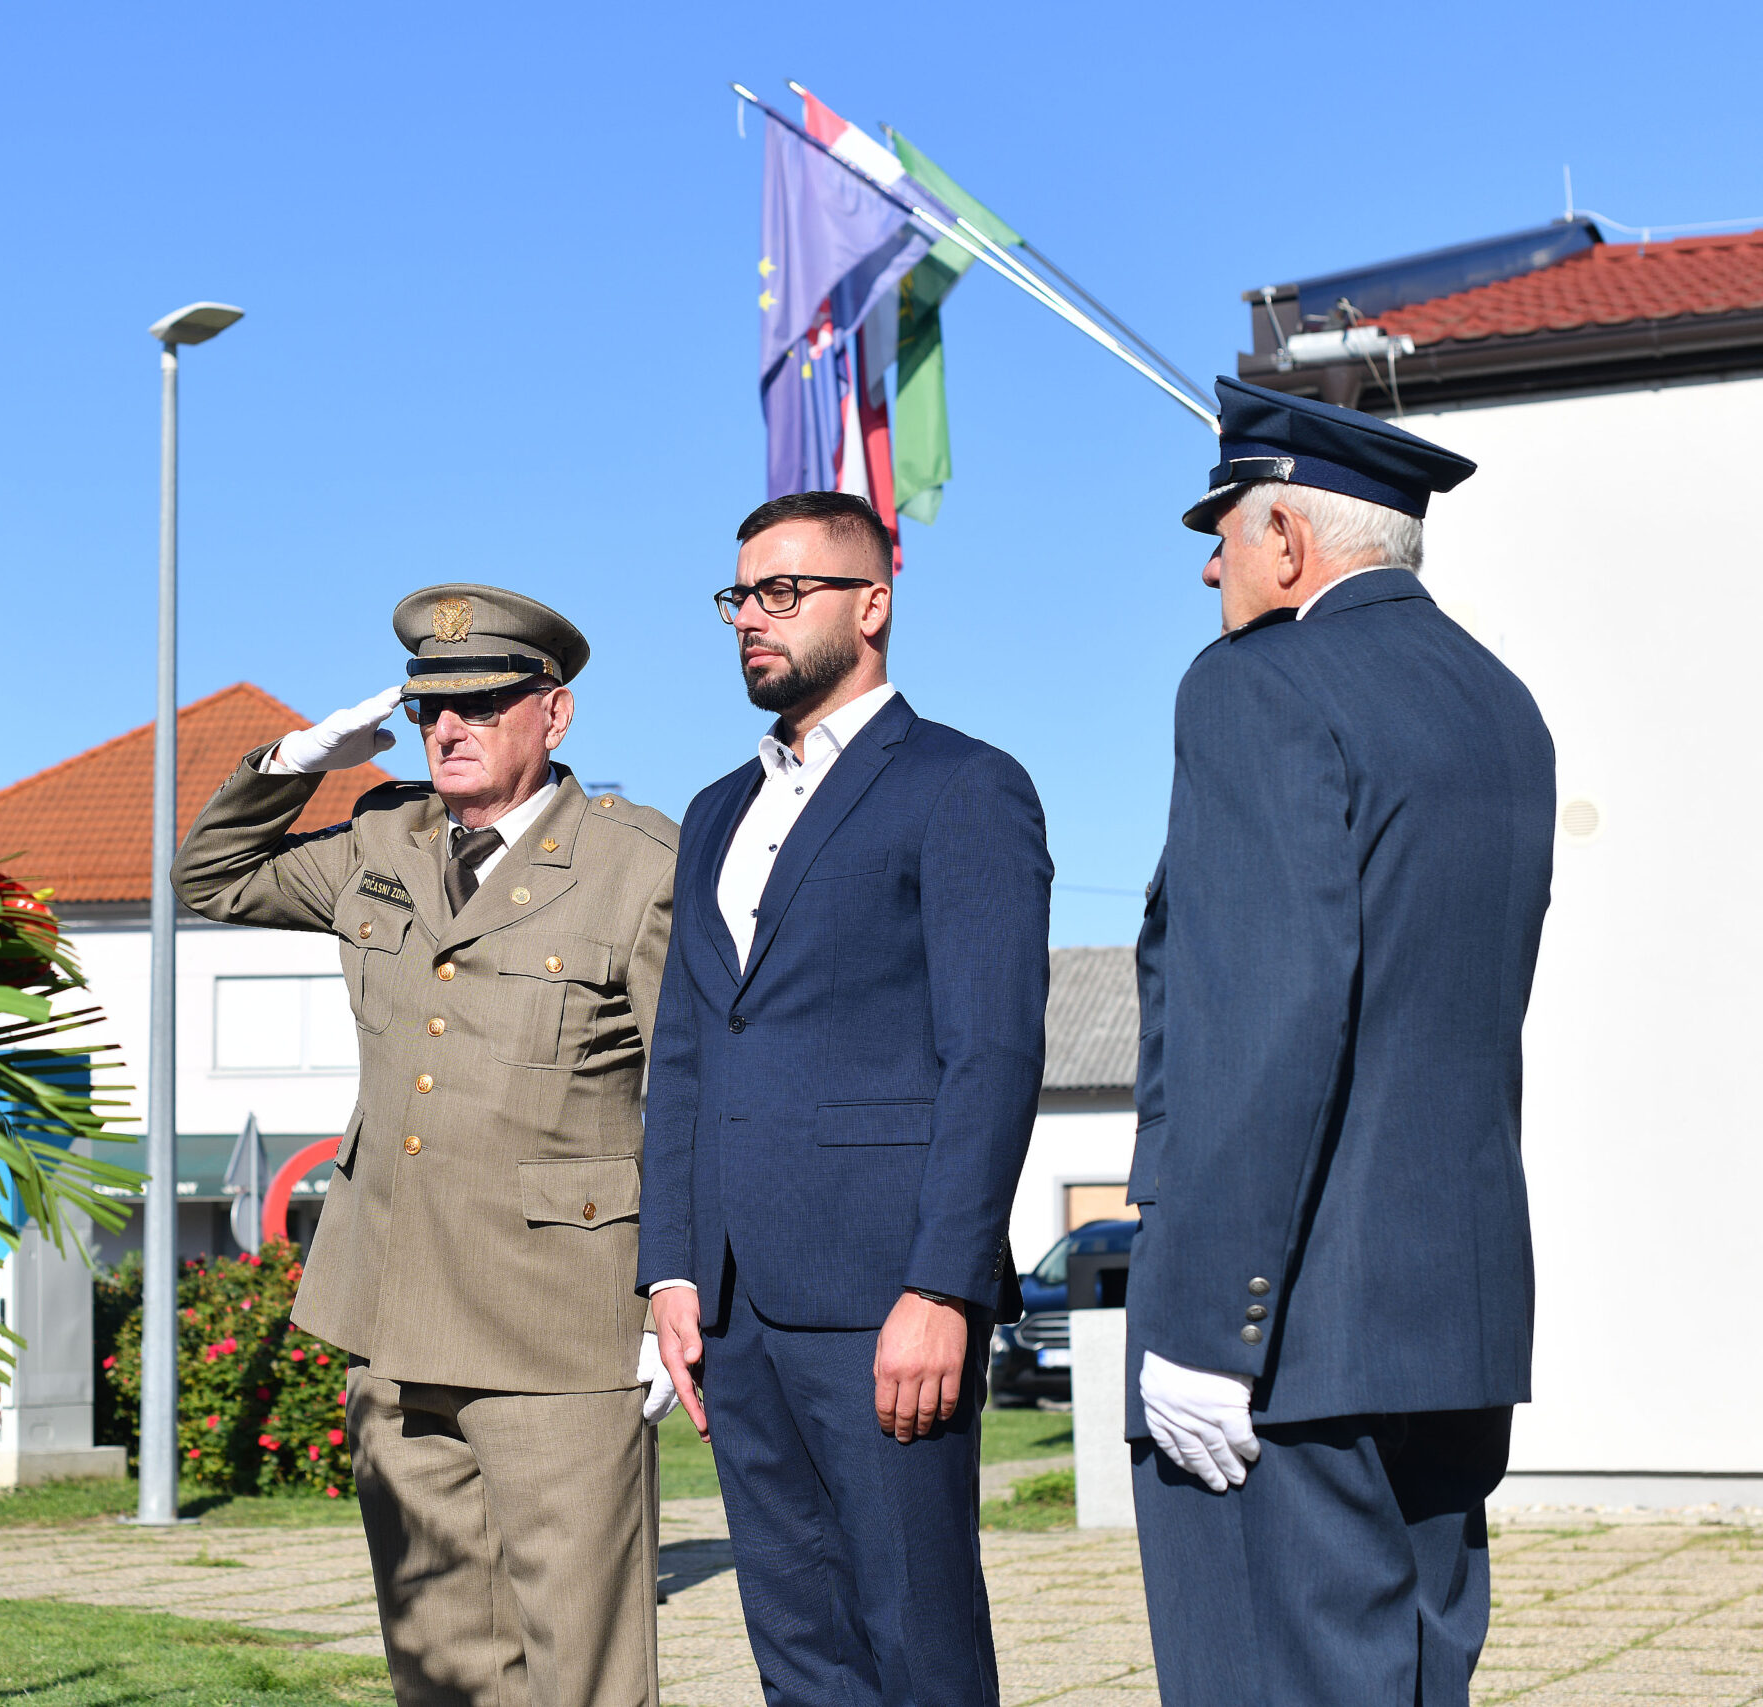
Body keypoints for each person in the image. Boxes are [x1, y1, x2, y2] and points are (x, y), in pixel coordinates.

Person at [1127, 377, 1556, 1707]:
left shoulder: (1259, 686)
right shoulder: (1502, 704)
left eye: (1227, 530)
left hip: (1292, 1341)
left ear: (1291, 543)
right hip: (1451, 1321)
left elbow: (1264, 1017)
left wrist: (1210, 1323)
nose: (1210, 563)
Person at [174, 585, 680, 1707]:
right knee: (438, 1664)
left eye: (484, 704)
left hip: (564, 1326)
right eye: (424, 710)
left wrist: (674, 1291)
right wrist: (301, 757)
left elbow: (694, 1090)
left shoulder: (636, 865)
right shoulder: (380, 840)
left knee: (580, 1667)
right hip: (394, 1312)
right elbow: (207, 878)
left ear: (553, 715)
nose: (447, 729)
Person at [641, 491, 1051, 1707]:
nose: (749, 621)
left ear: (872, 603)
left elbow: (992, 1058)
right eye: (737, 597)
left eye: (782, 592)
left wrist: (942, 1286)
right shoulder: (717, 808)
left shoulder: (963, 786)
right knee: (799, 1645)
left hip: (887, 1300)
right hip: (735, 1305)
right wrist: (671, 1269)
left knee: (915, 1638)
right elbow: (687, 1052)